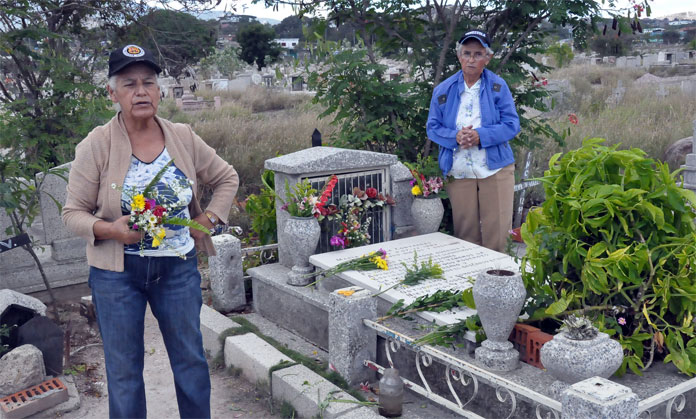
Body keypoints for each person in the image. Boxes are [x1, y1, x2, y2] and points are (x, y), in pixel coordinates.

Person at [62, 44, 239, 419]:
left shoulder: (183, 137)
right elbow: (71, 214)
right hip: (116, 276)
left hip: (177, 270)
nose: (140, 91)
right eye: (129, 84)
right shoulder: (96, 145)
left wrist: (207, 220)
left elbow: (227, 177)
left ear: (160, 90)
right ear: (112, 93)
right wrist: (110, 229)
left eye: (148, 82)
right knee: (125, 373)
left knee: (190, 363)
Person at [426, 30, 520, 253]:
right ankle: (469, 284)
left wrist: (481, 136)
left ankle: (497, 281)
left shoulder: (498, 87)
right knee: (465, 235)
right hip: (458, 169)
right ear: (459, 56)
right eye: (466, 53)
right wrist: (455, 137)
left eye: (478, 54)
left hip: (494, 168)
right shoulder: (444, 90)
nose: (471, 59)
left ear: (487, 58)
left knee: (497, 236)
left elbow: (511, 124)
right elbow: (433, 127)